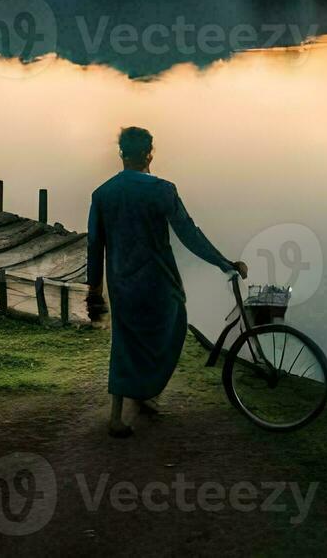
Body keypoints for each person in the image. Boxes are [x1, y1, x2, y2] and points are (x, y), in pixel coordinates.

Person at [86, 127, 248, 438]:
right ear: (149, 153)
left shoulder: (103, 194)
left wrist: (94, 290)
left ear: (121, 154)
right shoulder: (162, 190)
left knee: (125, 340)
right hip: (159, 281)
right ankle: (146, 391)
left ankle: (120, 413)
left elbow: (95, 245)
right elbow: (189, 233)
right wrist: (223, 262)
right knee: (172, 328)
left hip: (121, 281)